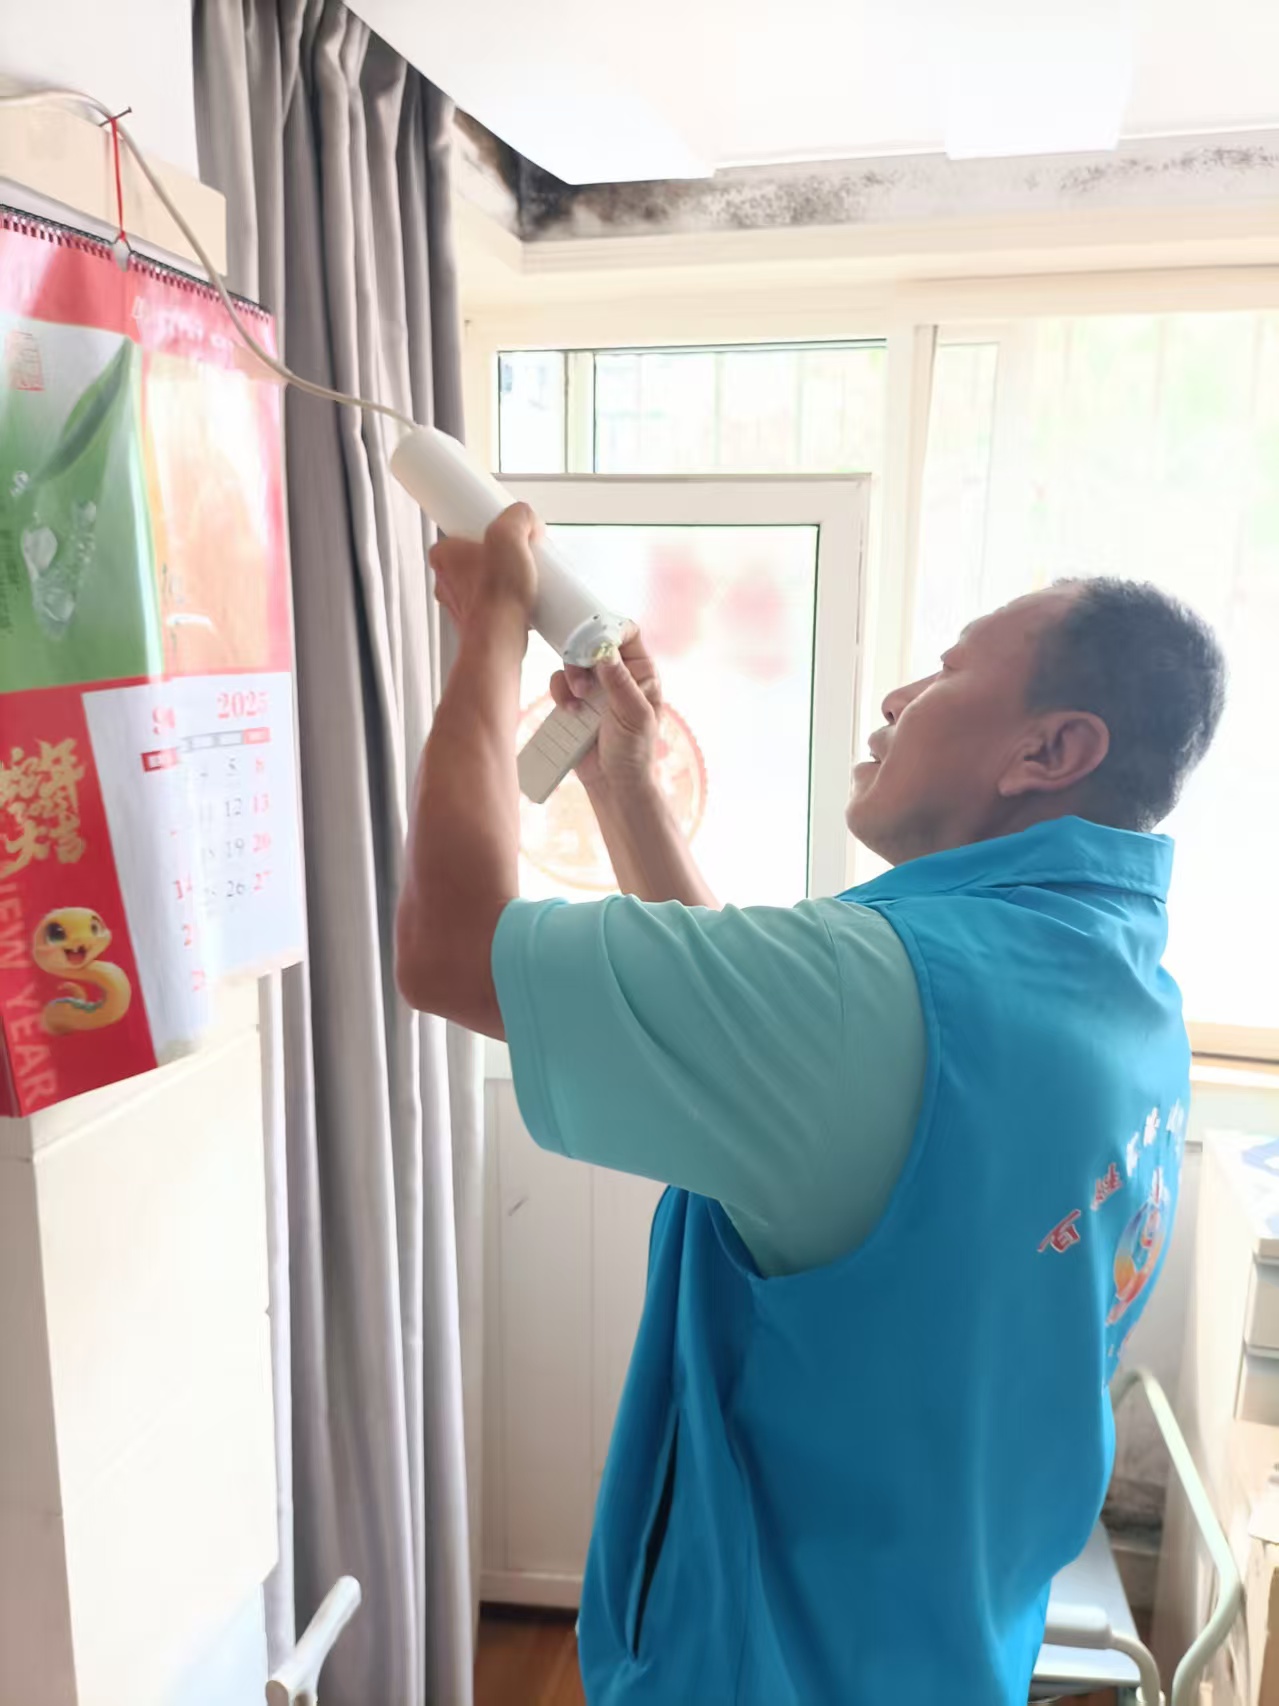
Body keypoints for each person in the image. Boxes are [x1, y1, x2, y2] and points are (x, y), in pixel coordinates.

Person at [396, 505, 1225, 1706]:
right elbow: (777, 1057)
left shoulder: (891, 990)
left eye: (944, 672)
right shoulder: (1117, 986)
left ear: (1051, 749)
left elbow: (448, 948)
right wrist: (625, 781)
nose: (895, 698)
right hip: (942, 1641)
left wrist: (488, 631)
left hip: (767, 1666)